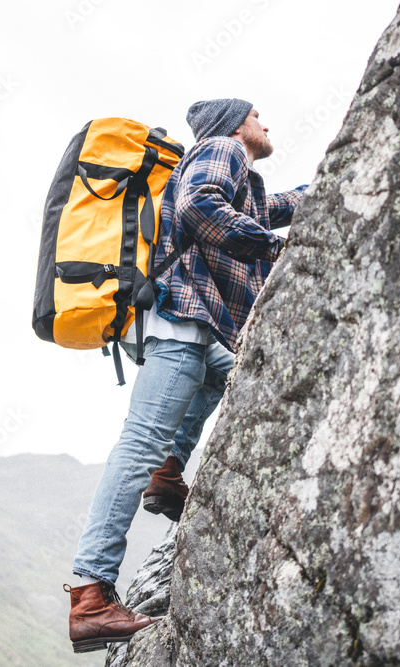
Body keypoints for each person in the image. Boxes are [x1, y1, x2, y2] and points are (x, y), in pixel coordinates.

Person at [64, 98, 307, 654]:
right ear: (235, 124)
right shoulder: (221, 149)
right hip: (179, 322)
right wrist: (277, 246)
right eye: (257, 115)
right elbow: (202, 208)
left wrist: (325, 192)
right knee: (138, 443)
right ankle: (91, 597)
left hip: (194, 327)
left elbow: (269, 207)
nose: (266, 123)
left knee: (228, 375)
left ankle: (168, 474)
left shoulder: (237, 172)